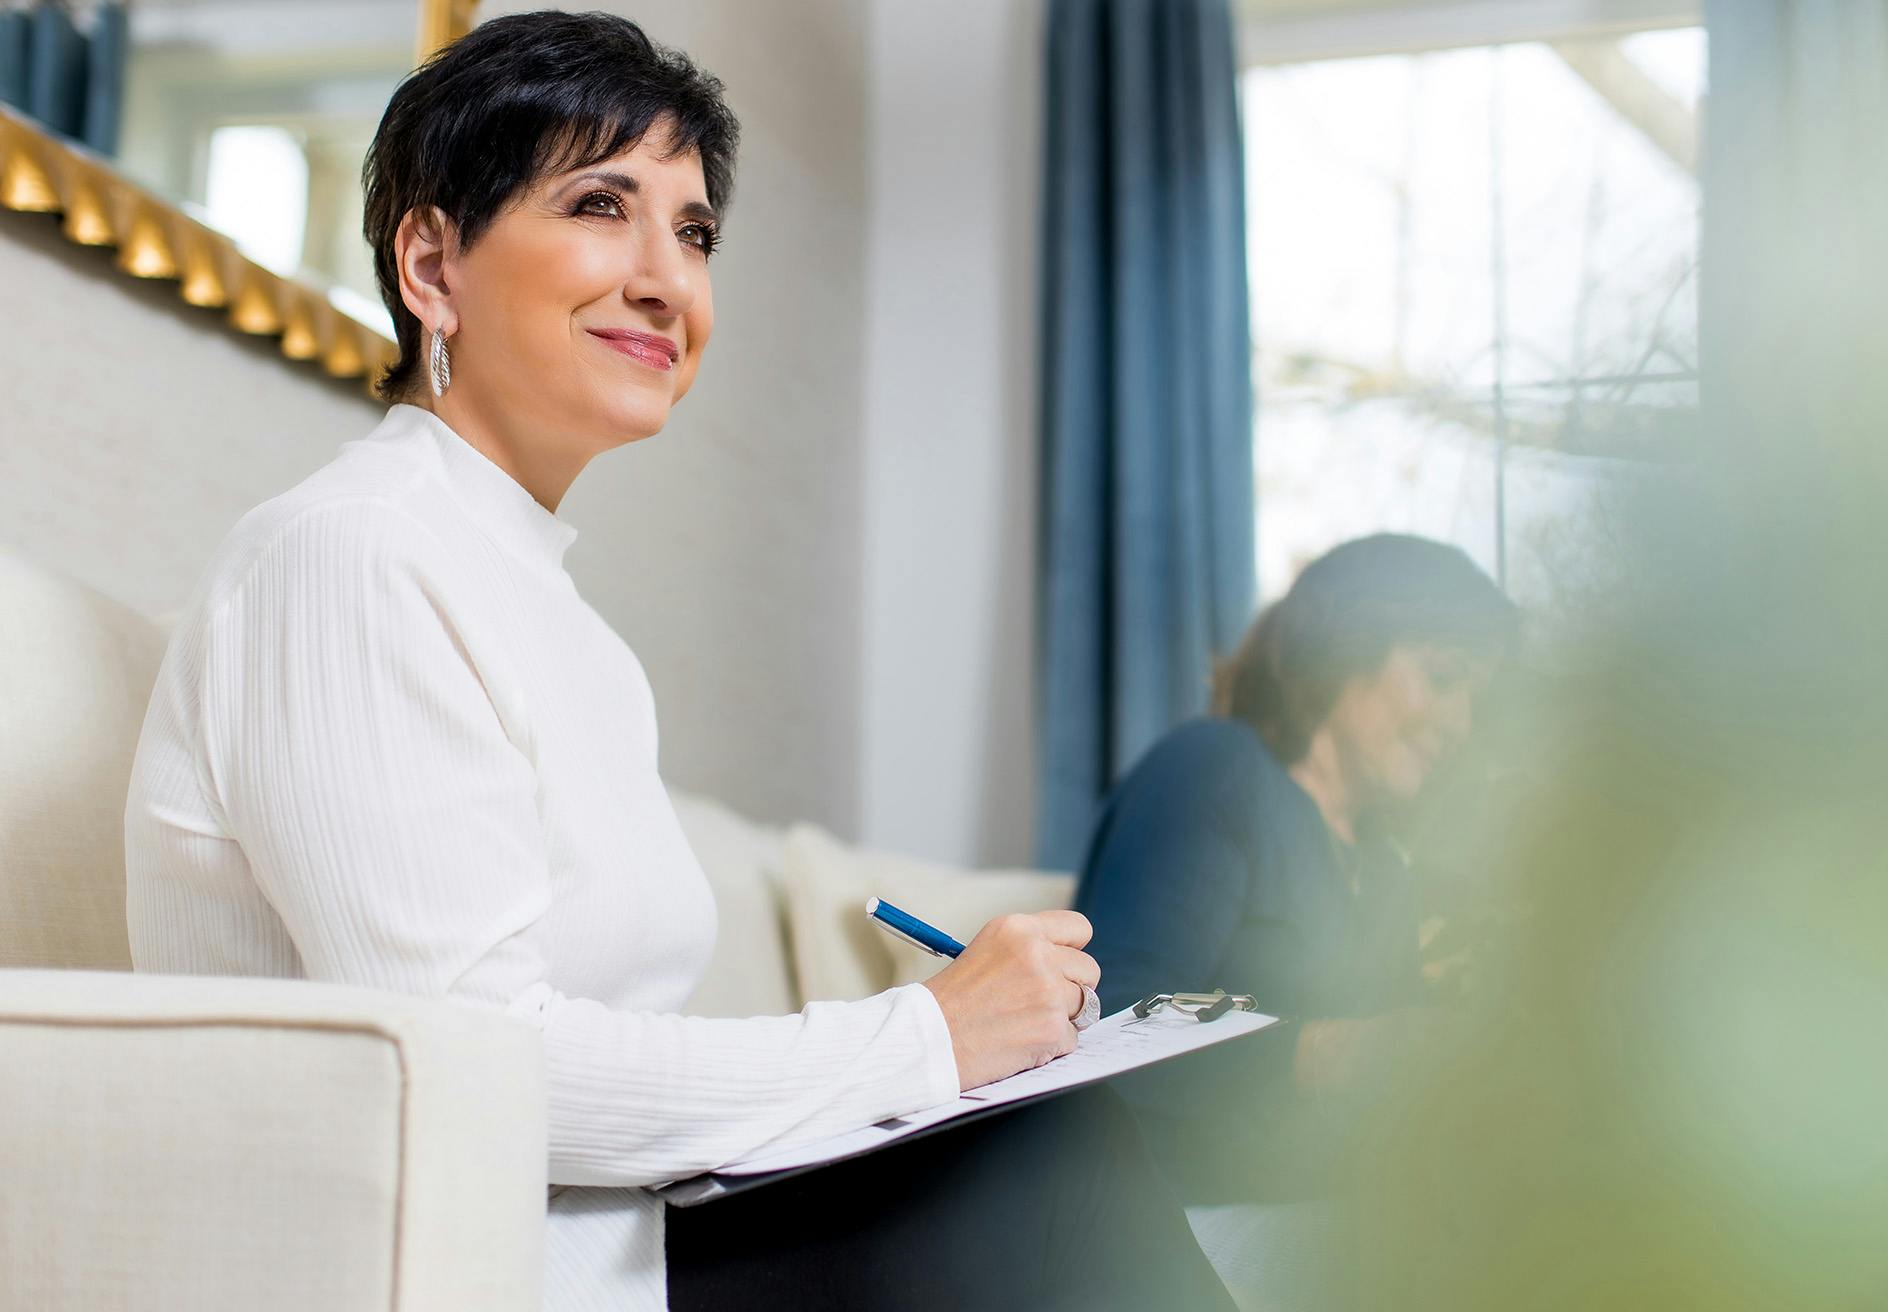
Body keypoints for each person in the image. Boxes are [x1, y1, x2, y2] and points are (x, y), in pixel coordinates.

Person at [122, 13, 1230, 1311]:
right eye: (602, 205)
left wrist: (935, 1053)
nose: (668, 280)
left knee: (1045, 1136)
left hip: (625, 1236)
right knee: (1038, 1166)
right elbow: (474, 1064)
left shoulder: (561, 619)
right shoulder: (348, 557)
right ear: (431, 263)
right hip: (469, 1268)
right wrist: (922, 1037)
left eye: (695, 233)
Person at [1075, 534, 1517, 1209]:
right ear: (1348, 646)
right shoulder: (1217, 769)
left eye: (1475, 701)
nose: (1460, 723)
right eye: (1443, 676)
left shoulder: (1382, 870)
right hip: (1168, 1217)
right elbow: (1112, 1020)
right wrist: (1330, 1053)